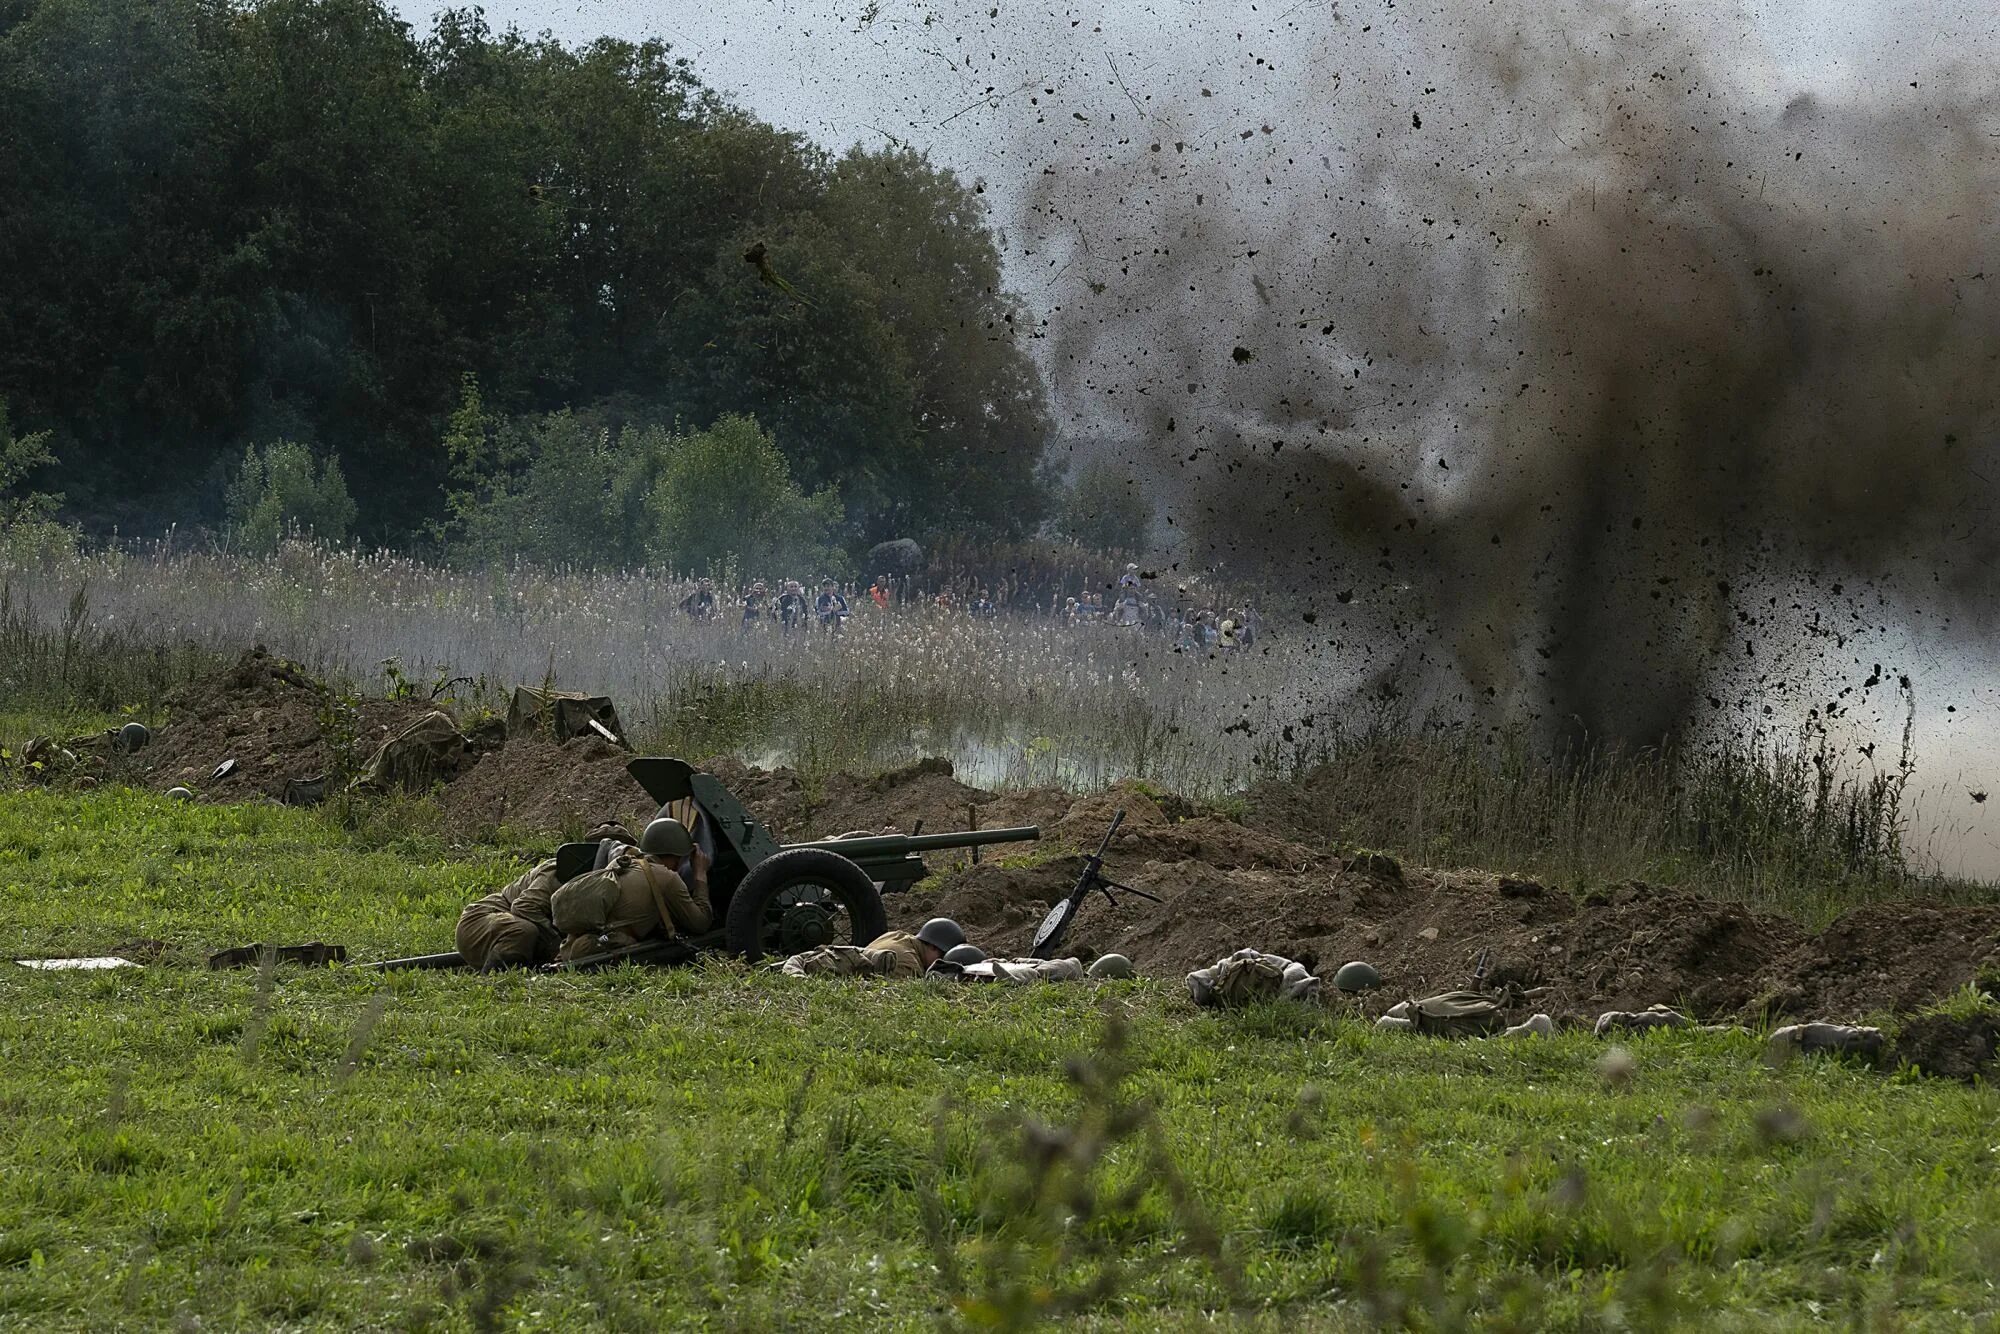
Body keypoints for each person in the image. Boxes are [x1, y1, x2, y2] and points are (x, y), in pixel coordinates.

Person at [551, 818, 713, 962]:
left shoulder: (625, 863)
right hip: (602, 946)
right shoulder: (667, 877)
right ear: (678, 858)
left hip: (575, 945)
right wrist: (700, 875)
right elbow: (700, 923)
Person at [779, 917, 966, 978]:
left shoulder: (898, 936)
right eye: (943, 957)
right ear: (933, 947)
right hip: (823, 971)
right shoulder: (908, 964)